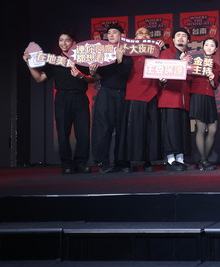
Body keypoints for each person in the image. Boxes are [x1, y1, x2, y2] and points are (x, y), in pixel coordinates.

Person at [23, 31, 94, 174]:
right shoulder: (55, 61)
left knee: (83, 134)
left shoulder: (83, 59)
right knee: (63, 133)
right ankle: (66, 164)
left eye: (67, 40)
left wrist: (81, 76)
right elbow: (39, 78)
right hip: (62, 98)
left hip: (80, 98)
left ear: (74, 43)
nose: (64, 43)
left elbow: (93, 79)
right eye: (61, 40)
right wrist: (29, 64)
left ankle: (80, 163)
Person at [117, 28, 164, 172]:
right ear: (134, 38)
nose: (142, 36)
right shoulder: (127, 54)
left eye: (146, 34)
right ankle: (129, 161)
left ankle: (148, 160)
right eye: (139, 33)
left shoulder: (157, 53)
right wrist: (119, 59)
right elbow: (122, 74)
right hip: (134, 94)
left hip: (152, 94)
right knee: (132, 130)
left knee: (150, 130)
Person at [89, 24, 132, 173]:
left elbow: (126, 74)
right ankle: (103, 162)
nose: (111, 35)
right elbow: (98, 76)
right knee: (103, 128)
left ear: (122, 34)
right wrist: (93, 72)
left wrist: (119, 60)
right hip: (106, 93)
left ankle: (121, 161)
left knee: (123, 129)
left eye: (115, 32)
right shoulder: (102, 52)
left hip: (123, 94)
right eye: (109, 33)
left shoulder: (128, 52)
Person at [158, 28, 193, 171]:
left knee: (182, 130)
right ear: (172, 39)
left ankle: (180, 159)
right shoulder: (165, 53)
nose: (180, 38)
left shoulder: (190, 56)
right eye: (177, 36)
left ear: (188, 40)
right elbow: (160, 74)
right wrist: (179, 62)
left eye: (184, 36)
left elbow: (191, 77)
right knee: (170, 129)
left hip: (184, 98)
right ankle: (170, 160)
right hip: (170, 97)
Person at [189, 37, 220, 171]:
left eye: (212, 45)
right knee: (200, 128)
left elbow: (215, 85)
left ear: (216, 49)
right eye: (206, 44)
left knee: (213, 129)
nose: (209, 47)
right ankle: (203, 160)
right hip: (198, 95)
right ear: (202, 46)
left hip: (210, 97)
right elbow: (188, 77)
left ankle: (204, 160)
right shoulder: (195, 61)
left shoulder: (216, 66)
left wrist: (212, 78)